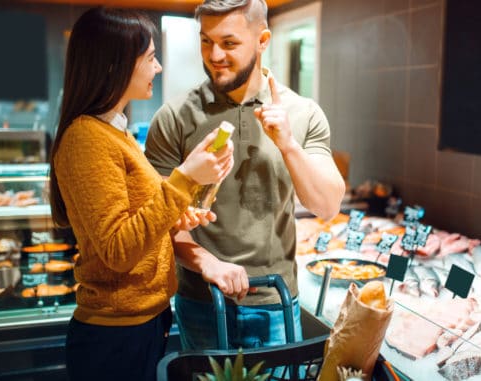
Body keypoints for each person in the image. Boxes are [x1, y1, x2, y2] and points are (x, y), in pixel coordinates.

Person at [145, 0, 345, 350]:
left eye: (229, 42)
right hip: (202, 303)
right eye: (205, 41)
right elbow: (156, 221)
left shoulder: (302, 113)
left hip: (277, 303)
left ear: (263, 39)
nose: (214, 54)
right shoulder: (174, 117)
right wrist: (205, 261)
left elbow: (327, 206)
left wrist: (288, 145)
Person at [48, 7, 234, 381]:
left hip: (140, 323)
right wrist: (183, 179)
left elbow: (134, 219)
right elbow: (118, 249)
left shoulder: (115, 132)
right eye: (150, 58)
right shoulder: (87, 139)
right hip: (114, 336)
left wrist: (179, 214)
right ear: (115, 66)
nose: (159, 68)